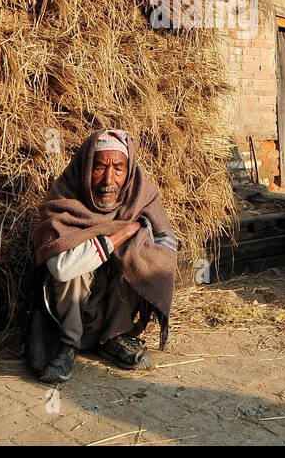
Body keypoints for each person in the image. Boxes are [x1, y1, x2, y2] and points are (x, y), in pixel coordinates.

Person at [28, 129, 178, 383]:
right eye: (100, 167)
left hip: (110, 301)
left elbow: (165, 248)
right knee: (72, 267)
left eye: (118, 168)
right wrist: (122, 234)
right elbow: (62, 268)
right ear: (86, 167)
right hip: (72, 310)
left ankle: (115, 335)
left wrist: (136, 245)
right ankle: (68, 345)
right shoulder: (66, 199)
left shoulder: (140, 197)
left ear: (128, 171)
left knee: (140, 252)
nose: (109, 180)